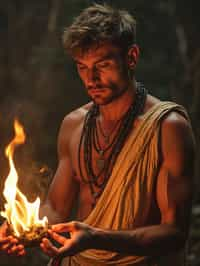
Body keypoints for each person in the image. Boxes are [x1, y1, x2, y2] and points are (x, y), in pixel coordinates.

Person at [0, 3, 195, 266]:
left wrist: (96, 238)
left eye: (103, 64)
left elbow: (174, 232)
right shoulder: (74, 125)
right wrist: (22, 228)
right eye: (82, 67)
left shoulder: (167, 128)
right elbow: (56, 209)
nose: (91, 78)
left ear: (131, 57)